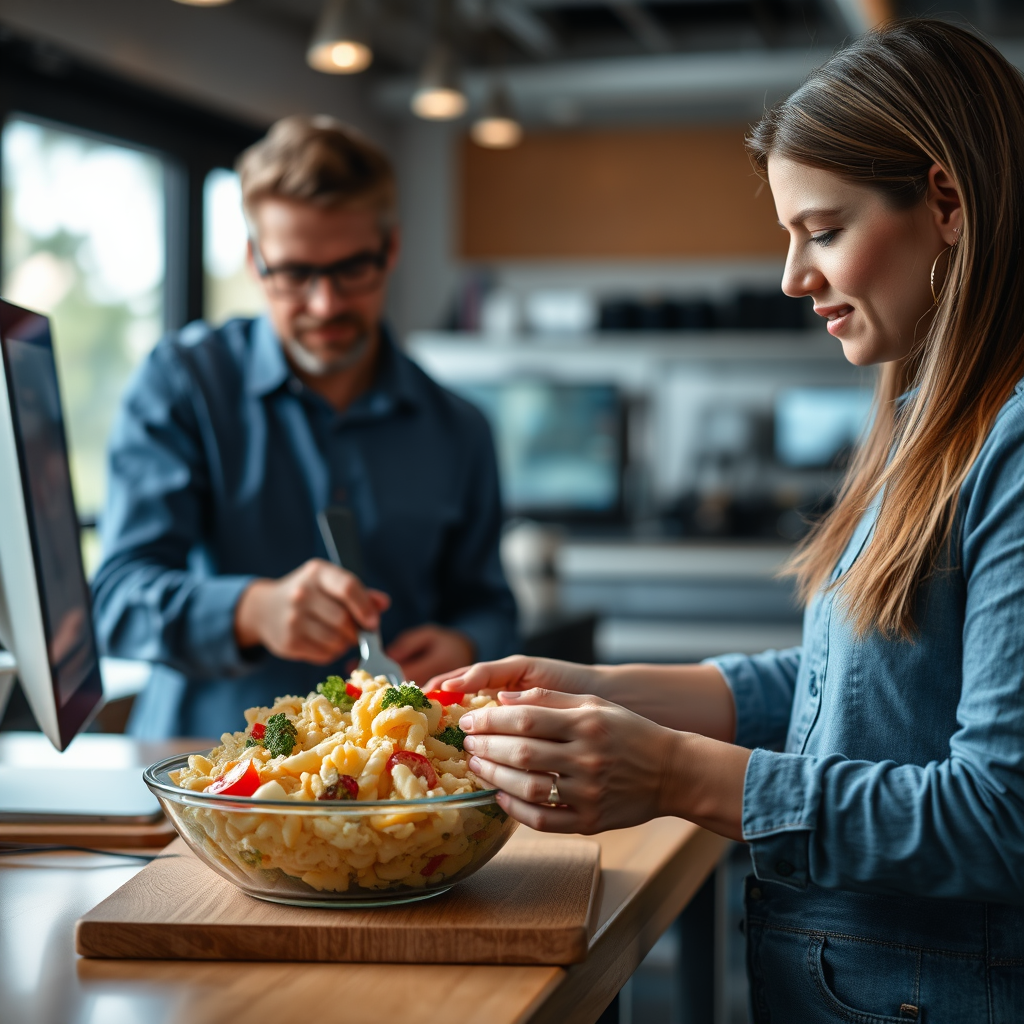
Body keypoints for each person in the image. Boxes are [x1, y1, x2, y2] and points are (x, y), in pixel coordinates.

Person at [427, 19, 1024, 1021]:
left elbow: (998, 817)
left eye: (823, 231)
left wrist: (668, 770)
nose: (794, 278)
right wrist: (616, 691)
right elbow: (875, 680)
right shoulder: (934, 415)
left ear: (948, 201)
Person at [92, 115, 517, 739]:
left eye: (352, 270)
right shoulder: (183, 384)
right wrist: (249, 611)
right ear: (254, 260)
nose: (325, 304)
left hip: (398, 787)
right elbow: (115, 602)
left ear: (391, 250)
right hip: (204, 777)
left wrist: (464, 641)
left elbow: (494, 609)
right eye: (294, 273)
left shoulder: (461, 428)